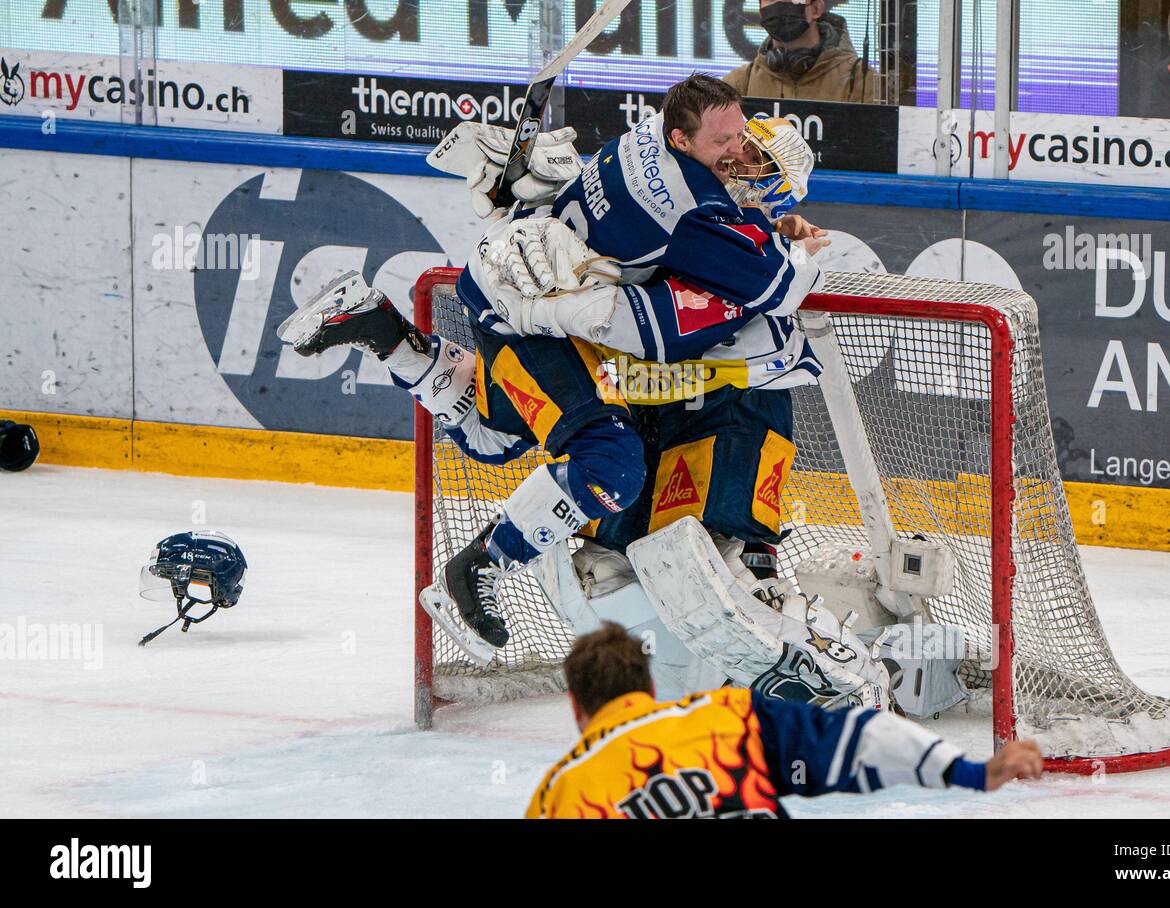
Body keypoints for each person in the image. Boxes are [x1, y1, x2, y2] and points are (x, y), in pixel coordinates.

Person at [279, 76, 832, 661]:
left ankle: (376, 327)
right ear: (683, 138)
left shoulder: (647, 139)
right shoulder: (698, 208)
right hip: (532, 317)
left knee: (494, 436)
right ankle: (476, 569)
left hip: (518, 290)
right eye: (731, 144)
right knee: (608, 468)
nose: (740, 159)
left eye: (745, 143)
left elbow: (644, 223)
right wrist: (796, 250)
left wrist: (520, 192)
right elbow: (777, 286)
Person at [525, 622, 1043, 819]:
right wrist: (974, 773)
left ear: (576, 706)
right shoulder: (727, 716)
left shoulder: (559, 795)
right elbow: (862, 735)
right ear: (650, 687)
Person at [725, 0, 878, 104]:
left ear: (816, 9)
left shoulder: (861, 80)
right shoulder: (739, 84)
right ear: (760, 11)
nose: (779, 6)